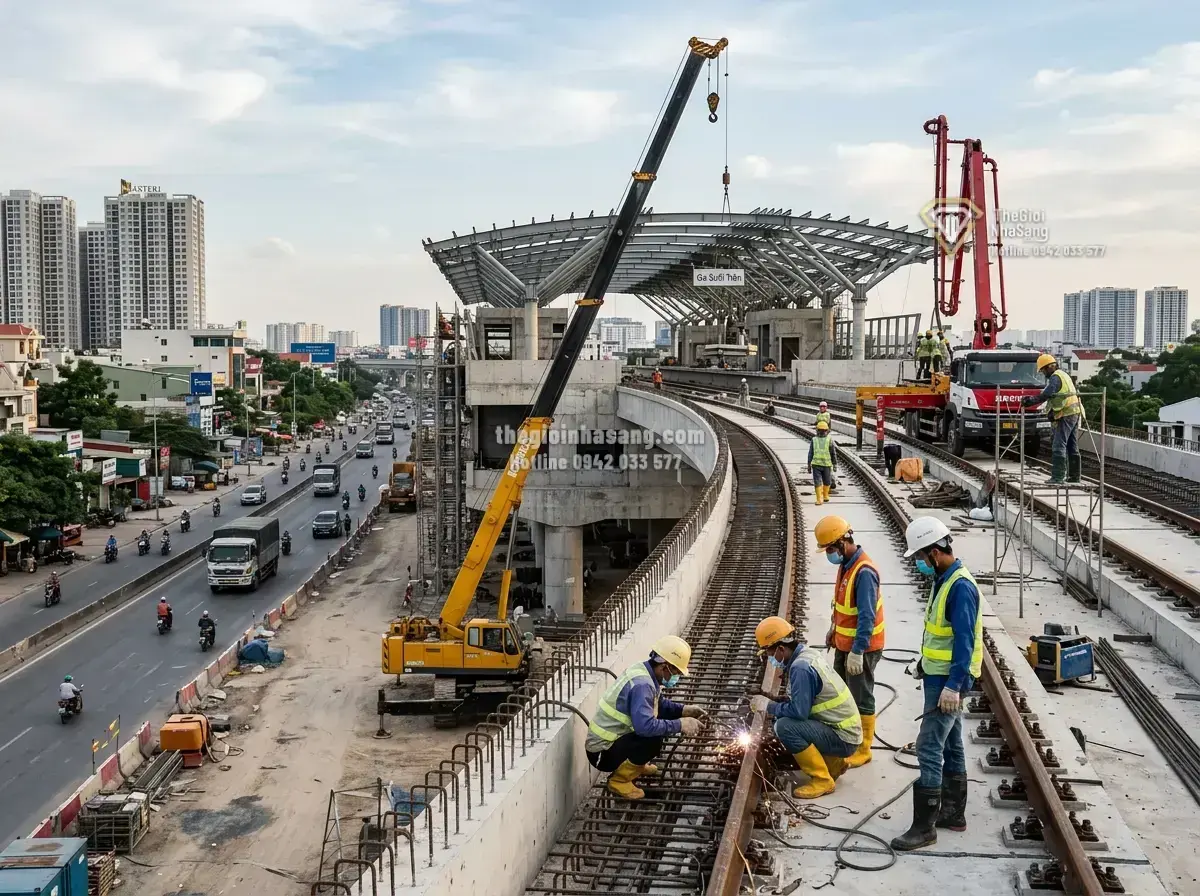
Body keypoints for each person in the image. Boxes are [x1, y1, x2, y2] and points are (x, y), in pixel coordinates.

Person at [891, 517, 983, 852]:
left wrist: (954, 686)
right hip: (938, 674)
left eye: (920, 556)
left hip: (948, 680)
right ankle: (953, 814)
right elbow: (938, 633)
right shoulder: (943, 579)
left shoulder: (959, 586)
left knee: (929, 745)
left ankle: (924, 827)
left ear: (934, 552)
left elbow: (964, 641)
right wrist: (924, 664)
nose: (918, 563)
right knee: (952, 742)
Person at [750, 616, 862, 799]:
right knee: (783, 716)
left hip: (845, 737)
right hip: (845, 729)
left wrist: (768, 706)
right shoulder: (807, 654)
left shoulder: (800, 668)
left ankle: (822, 780)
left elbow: (799, 713)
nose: (770, 659)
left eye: (770, 654)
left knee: (784, 726)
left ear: (780, 649)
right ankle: (835, 764)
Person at [584, 636, 707, 799]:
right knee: (653, 739)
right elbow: (645, 727)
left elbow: (659, 705)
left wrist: (684, 710)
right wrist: (680, 724)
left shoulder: (644, 671)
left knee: (655, 728)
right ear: (665, 666)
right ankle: (619, 780)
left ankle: (636, 765)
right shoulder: (643, 685)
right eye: (675, 672)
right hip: (602, 754)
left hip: (611, 742)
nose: (675, 677)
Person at [816, 515, 885, 768]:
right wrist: (833, 630)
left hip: (862, 649)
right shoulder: (845, 565)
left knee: (861, 697)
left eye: (831, 549)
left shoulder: (864, 572)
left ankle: (864, 748)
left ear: (844, 542)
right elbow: (844, 606)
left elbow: (866, 616)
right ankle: (845, 739)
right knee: (841, 695)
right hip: (844, 645)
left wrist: (858, 651)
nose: (829, 555)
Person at [1021, 354, 1082, 484]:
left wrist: (1030, 401)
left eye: (1043, 370)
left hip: (1066, 414)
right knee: (1072, 445)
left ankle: (1058, 477)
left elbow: (1046, 394)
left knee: (1058, 445)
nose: (1043, 373)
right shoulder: (1064, 374)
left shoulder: (1055, 378)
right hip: (1075, 412)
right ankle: (1074, 477)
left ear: (1049, 367)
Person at [808, 420, 838, 505]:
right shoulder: (814, 440)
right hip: (816, 464)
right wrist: (809, 464)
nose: (821, 432)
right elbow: (811, 453)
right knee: (817, 482)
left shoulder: (829, 440)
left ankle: (825, 495)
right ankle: (819, 498)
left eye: (823, 430)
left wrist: (834, 464)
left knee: (827, 481)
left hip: (826, 465)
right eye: (820, 430)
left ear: (827, 431)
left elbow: (833, 453)